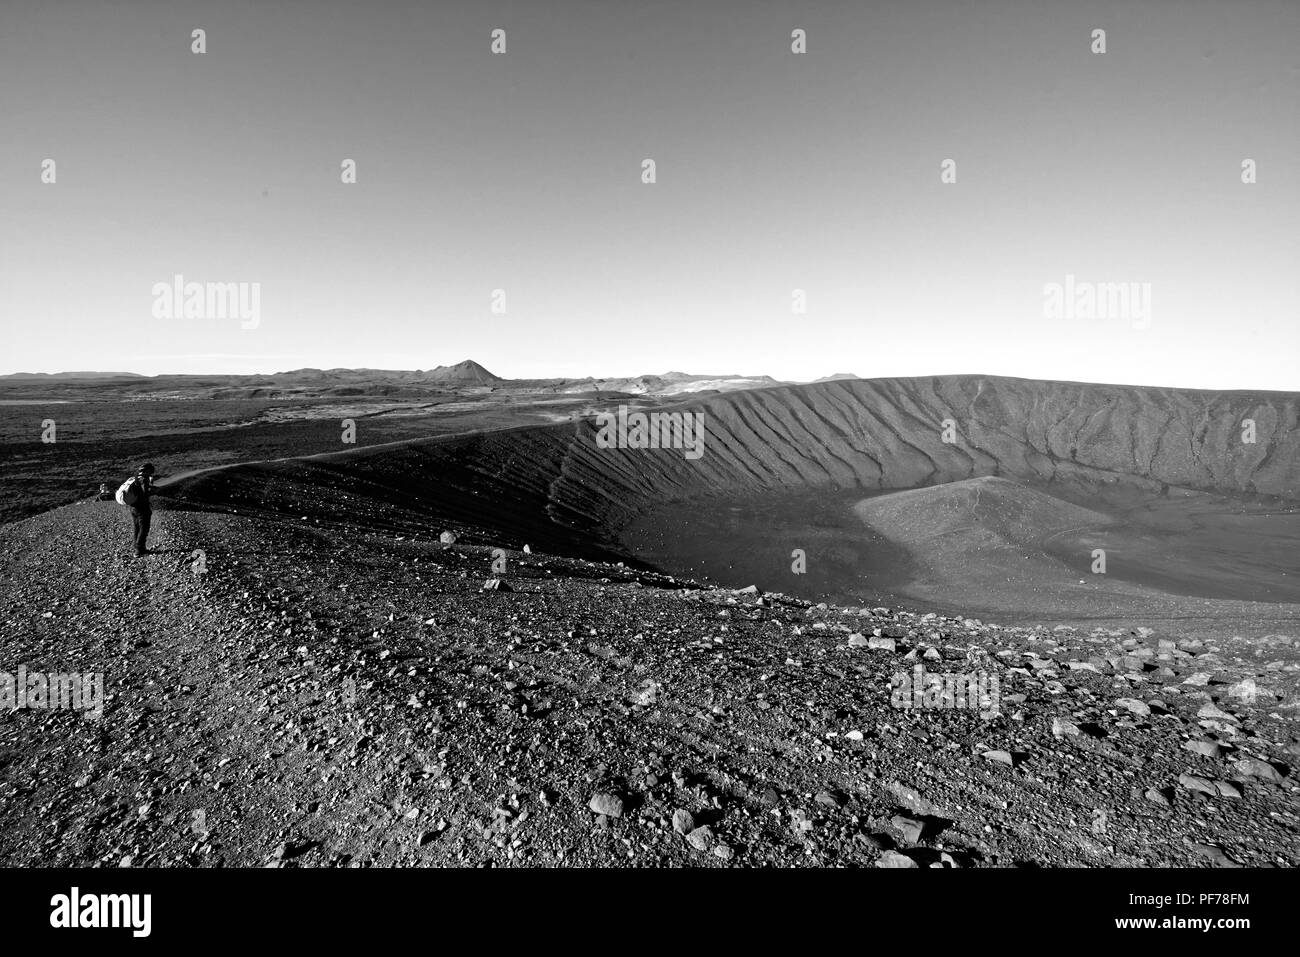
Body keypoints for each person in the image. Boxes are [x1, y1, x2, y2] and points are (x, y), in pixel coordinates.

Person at [125, 463, 156, 557]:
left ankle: (138, 548)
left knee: (137, 528)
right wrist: (154, 488)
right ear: (148, 471)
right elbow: (146, 493)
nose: (151, 473)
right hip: (142, 508)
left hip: (133, 507)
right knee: (144, 528)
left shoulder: (135, 478)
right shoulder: (144, 479)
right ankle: (139, 550)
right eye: (151, 471)